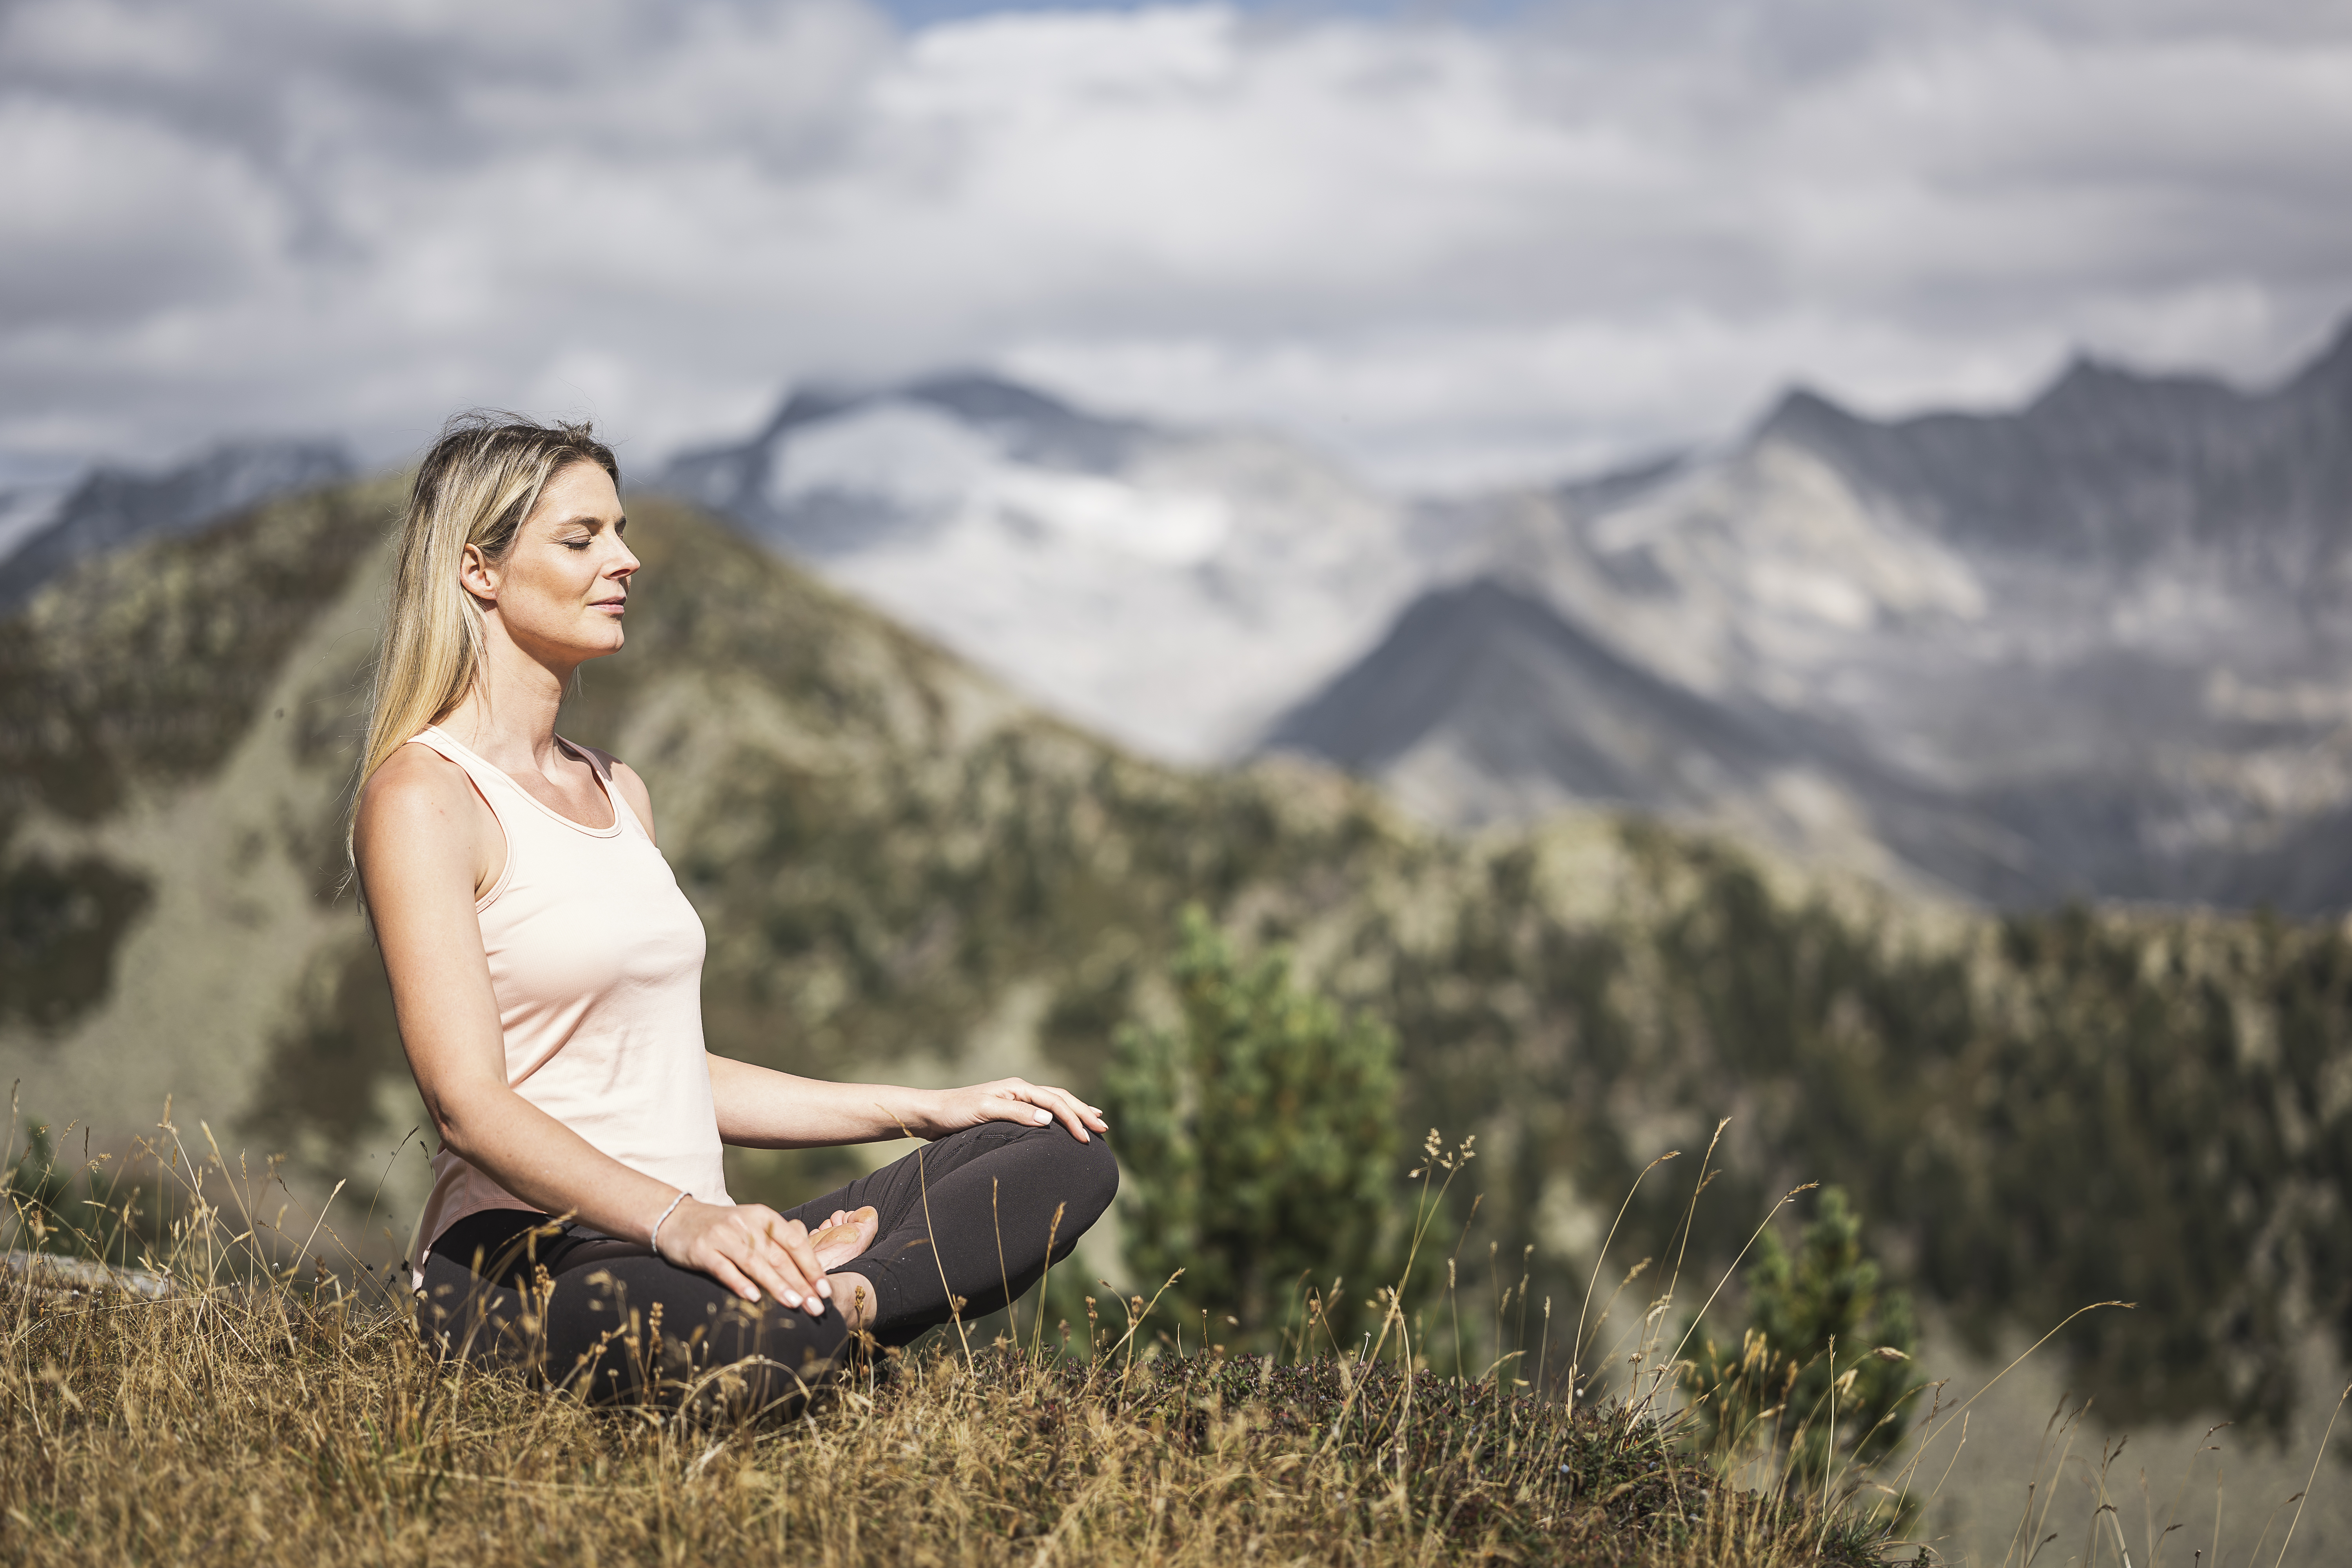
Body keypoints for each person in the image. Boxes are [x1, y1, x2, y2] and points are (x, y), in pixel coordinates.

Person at [351, 411, 1116, 1413]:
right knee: (774, 1333)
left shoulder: (619, 788)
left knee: (1062, 1151)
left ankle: (833, 1296)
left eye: (619, 531)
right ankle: (813, 1306)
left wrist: (916, 1107)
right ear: (479, 570)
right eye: (581, 539)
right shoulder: (425, 798)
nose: (624, 560)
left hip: (695, 1234)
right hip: (523, 1260)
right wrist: (685, 1226)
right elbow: (468, 1103)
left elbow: (666, 1066)